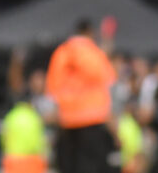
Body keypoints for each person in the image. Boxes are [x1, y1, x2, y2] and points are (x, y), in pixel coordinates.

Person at [45, 19, 119, 173]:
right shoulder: (93, 52)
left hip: (67, 120)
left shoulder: (61, 53)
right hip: (92, 120)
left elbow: (53, 88)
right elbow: (107, 81)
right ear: (90, 32)